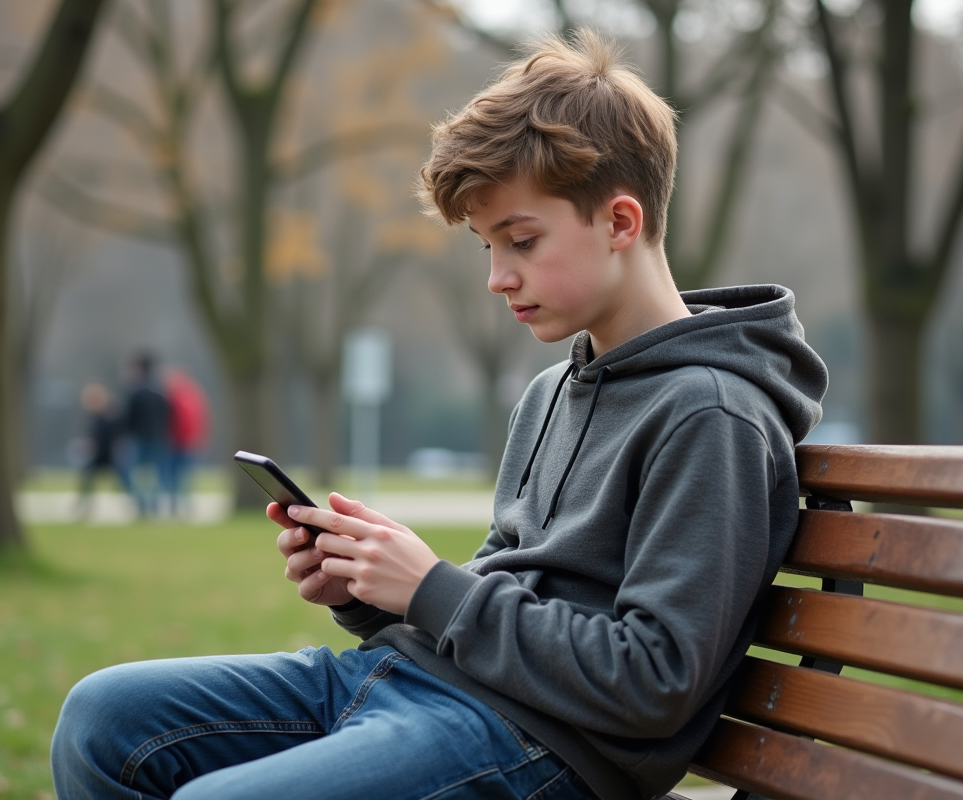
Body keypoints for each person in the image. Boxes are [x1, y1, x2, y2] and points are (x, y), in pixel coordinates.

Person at [51, 30, 827, 800]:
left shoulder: (712, 416)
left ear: (620, 223)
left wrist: (430, 587)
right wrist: (366, 593)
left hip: (541, 747)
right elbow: (499, 586)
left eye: (520, 241)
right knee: (103, 720)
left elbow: (653, 680)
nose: (498, 278)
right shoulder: (553, 391)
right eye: (487, 247)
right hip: (418, 685)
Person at [119, 352, 170, 518]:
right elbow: (166, 414)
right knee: (154, 474)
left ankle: (142, 505)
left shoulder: (136, 392)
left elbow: (128, 418)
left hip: (140, 438)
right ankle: (153, 505)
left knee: (133, 471)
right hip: (157, 437)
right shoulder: (158, 392)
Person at [73, 382, 128, 519]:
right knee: (87, 481)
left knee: (124, 482)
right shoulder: (100, 416)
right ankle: (84, 507)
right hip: (103, 456)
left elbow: (104, 437)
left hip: (106, 455)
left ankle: (137, 506)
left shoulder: (105, 416)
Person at [161, 367, 209, 518]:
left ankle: (177, 507)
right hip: (188, 442)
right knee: (182, 476)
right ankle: (182, 506)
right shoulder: (194, 395)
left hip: (178, 442)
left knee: (174, 476)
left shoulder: (175, 398)